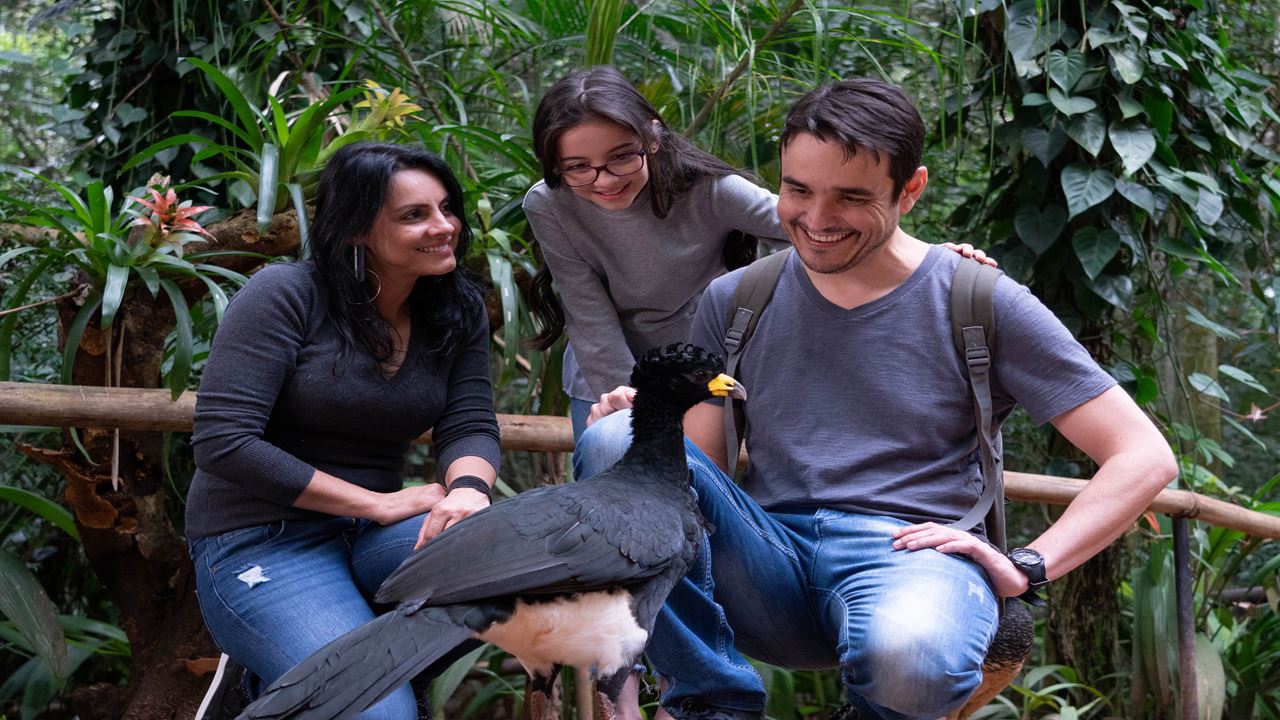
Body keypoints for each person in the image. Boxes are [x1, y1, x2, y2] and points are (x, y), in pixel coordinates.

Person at [575, 78, 1177, 720]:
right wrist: (646, 430)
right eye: (797, 189)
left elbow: (1145, 456)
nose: (815, 219)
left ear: (910, 190)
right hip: (769, 562)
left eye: (851, 197)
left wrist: (1030, 564)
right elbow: (698, 473)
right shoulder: (737, 300)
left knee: (909, 656)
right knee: (617, 442)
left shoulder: (978, 301)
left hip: (911, 559)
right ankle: (710, 705)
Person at [185, 142, 501, 719]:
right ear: (356, 230)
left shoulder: (457, 308)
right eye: (415, 215)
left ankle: (325, 681)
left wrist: (468, 493)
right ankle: (282, 687)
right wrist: (374, 504)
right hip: (262, 535)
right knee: (378, 712)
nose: (444, 226)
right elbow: (223, 440)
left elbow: (470, 421)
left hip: (375, 535)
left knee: (518, 568)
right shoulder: (285, 294)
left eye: (446, 207)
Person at [523, 66, 994, 444]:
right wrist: (625, 397)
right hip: (608, 375)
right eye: (578, 167)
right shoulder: (549, 203)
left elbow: (814, 224)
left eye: (621, 157)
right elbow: (586, 309)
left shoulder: (709, 191)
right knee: (610, 481)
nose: (603, 179)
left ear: (652, 137)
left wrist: (924, 259)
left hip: (702, 371)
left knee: (702, 508)